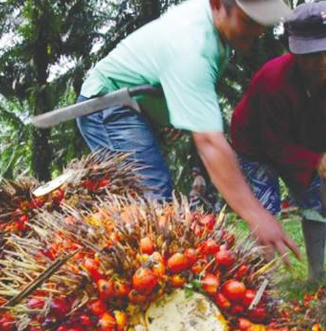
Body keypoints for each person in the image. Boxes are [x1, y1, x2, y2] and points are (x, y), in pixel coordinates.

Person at [76, 0, 301, 262]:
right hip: (107, 104)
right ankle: (125, 279)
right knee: (152, 203)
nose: (258, 32)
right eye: (249, 21)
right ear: (217, 5)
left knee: (151, 208)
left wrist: (165, 115)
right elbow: (209, 143)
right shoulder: (192, 47)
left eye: (263, 23)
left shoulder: (215, 28)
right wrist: (256, 214)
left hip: (135, 103)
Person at [230, 1, 326, 282]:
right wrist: (315, 161)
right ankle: (264, 280)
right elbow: (273, 145)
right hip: (256, 146)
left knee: (315, 201)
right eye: (313, 55)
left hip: (306, 145)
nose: (323, 62)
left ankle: (316, 274)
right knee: (267, 211)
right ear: (295, 52)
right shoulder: (273, 81)